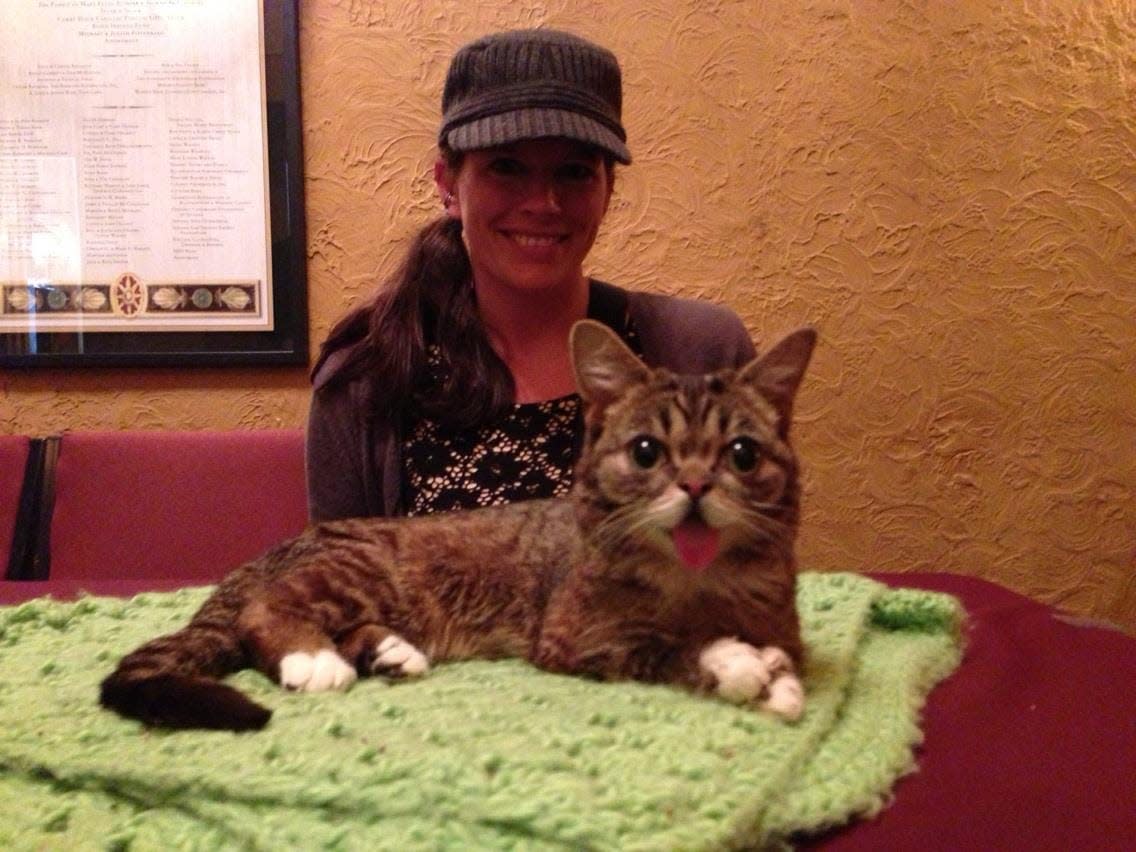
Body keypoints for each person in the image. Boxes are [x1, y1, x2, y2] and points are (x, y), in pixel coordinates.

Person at [306, 28, 756, 522]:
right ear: (449, 185)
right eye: (506, 167)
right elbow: (343, 582)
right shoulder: (368, 375)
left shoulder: (703, 351)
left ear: (607, 190)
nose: (544, 203)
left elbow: (748, 559)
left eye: (574, 172)